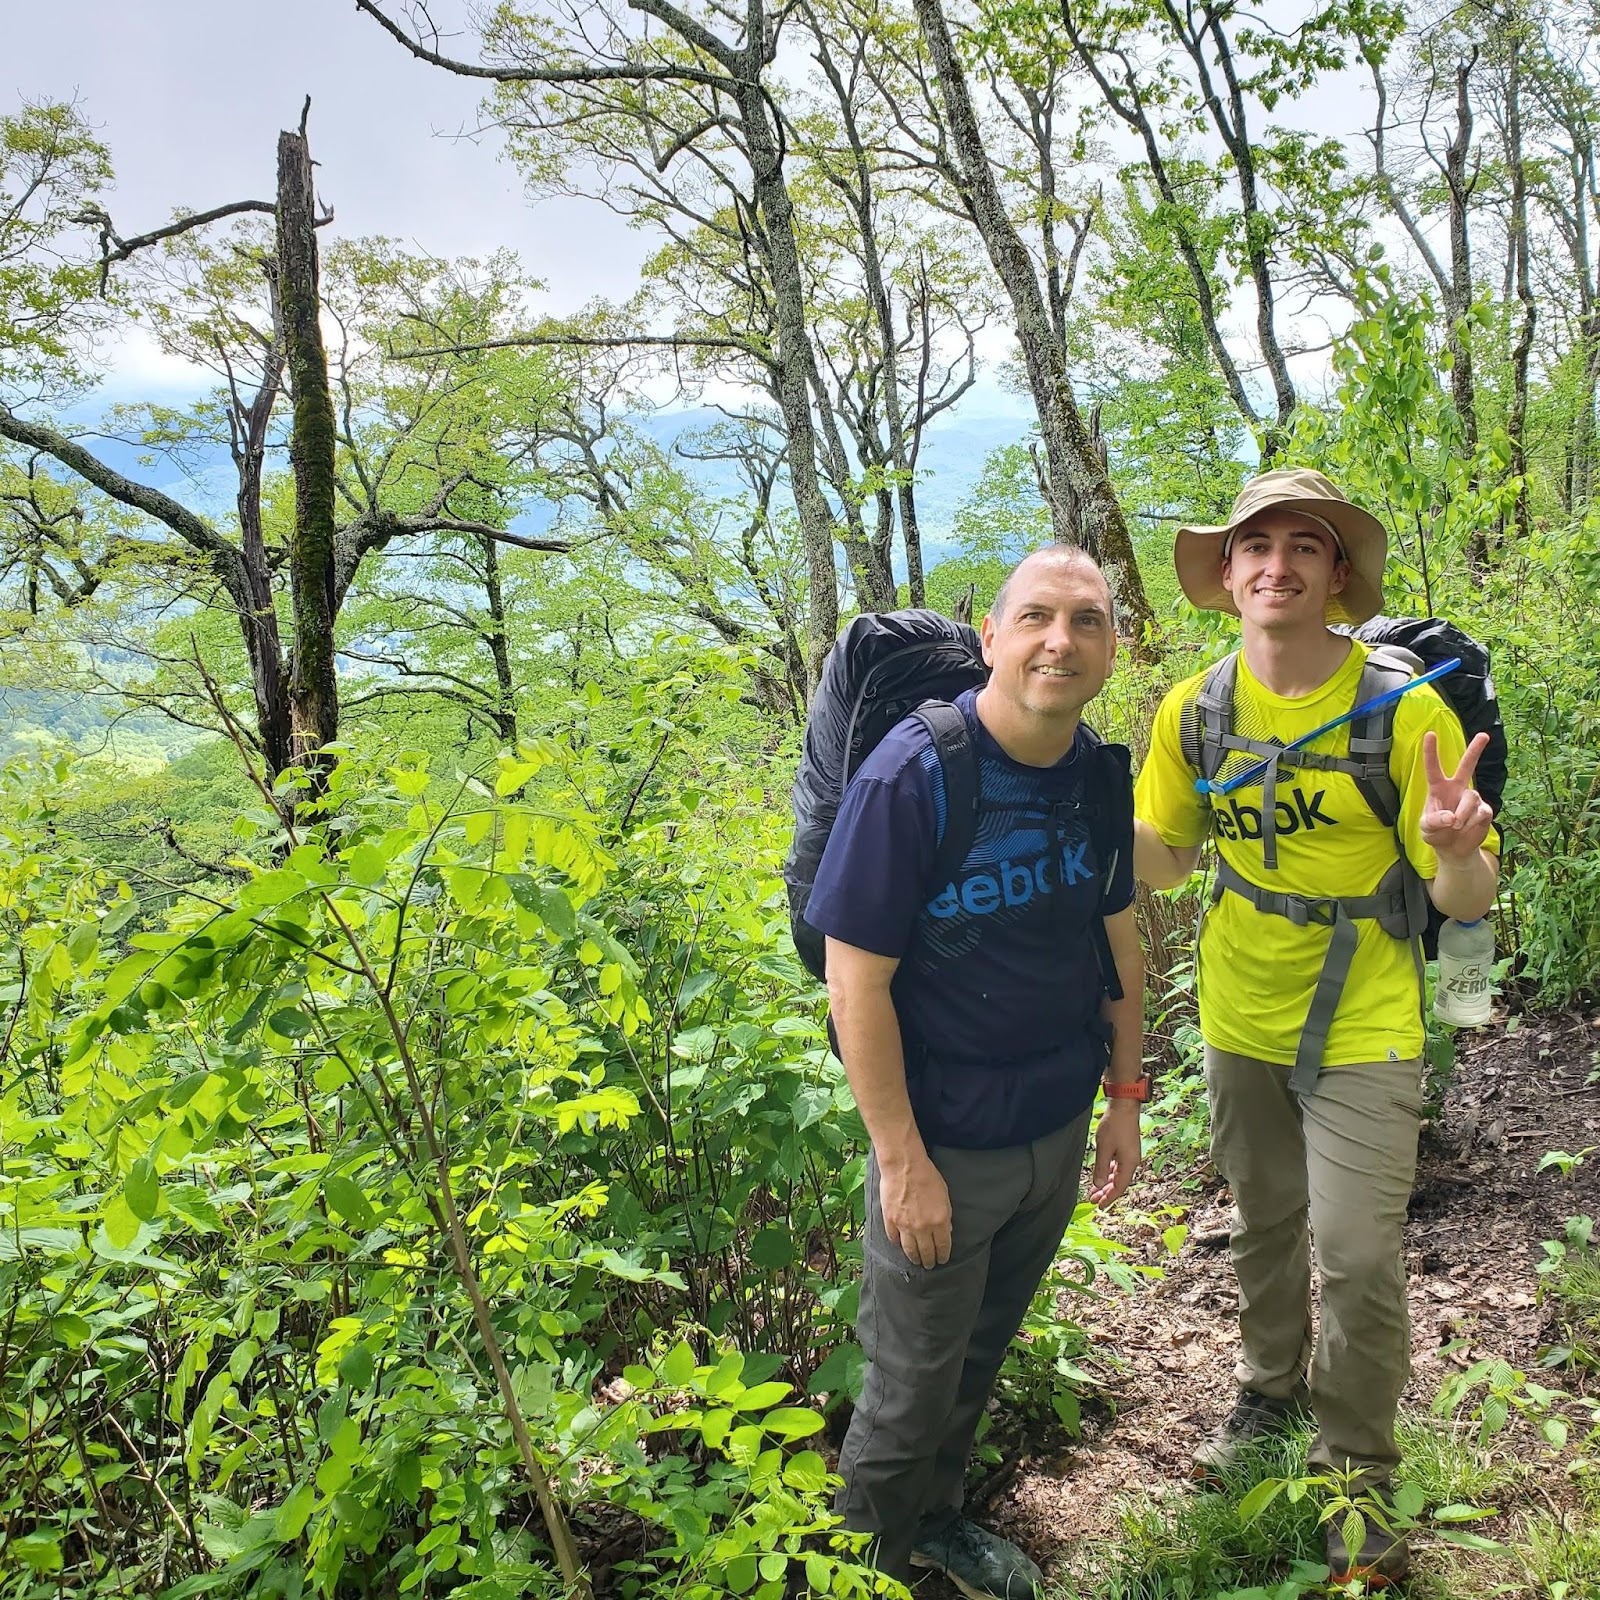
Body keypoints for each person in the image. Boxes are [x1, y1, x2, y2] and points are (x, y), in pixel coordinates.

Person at [1133, 468, 1499, 1587]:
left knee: (1355, 1258)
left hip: (1366, 1012)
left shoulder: (1402, 705)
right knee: (1262, 1222)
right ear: (1227, 573)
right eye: (1254, 546)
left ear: (1337, 576)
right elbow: (1163, 858)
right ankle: (1264, 1387)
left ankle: (1356, 1480)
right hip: (1237, 1003)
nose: (1274, 565)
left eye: (1303, 546)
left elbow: (1467, 903)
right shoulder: (1194, 707)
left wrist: (1449, 847)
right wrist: (1082, 814)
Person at [806, 546, 1146, 1599]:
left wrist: (1124, 1099)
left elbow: (1117, 932)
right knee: (907, 1387)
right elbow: (853, 983)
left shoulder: (1095, 774)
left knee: (981, 1350)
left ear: (1110, 648)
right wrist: (900, 1159)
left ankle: (937, 1526)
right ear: (989, 639)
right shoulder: (913, 773)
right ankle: (861, 1566)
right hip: (944, 1134)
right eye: (1036, 617)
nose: (1061, 639)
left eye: (1086, 621)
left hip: (1051, 1120)